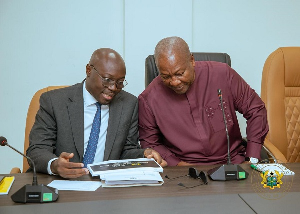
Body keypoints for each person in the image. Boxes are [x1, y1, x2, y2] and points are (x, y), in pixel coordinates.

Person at [27, 48, 165, 178]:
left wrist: (144, 154)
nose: (113, 88)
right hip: (62, 183)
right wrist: (55, 165)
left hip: (105, 186)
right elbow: (37, 149)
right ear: (88, 70)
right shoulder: (54, 101)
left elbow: (126, 151)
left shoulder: (129, 104)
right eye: (107, 80)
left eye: (120, 82)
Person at [138, 36, 269, 166]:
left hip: (232, 163)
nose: (174, 81)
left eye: (180, 73)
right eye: (166, 76)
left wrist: (252, 158)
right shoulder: (148, 99)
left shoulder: (223, 74)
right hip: (183, 171)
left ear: (192, 60)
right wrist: (179, 165)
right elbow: (150, 143)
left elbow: (256, 110)